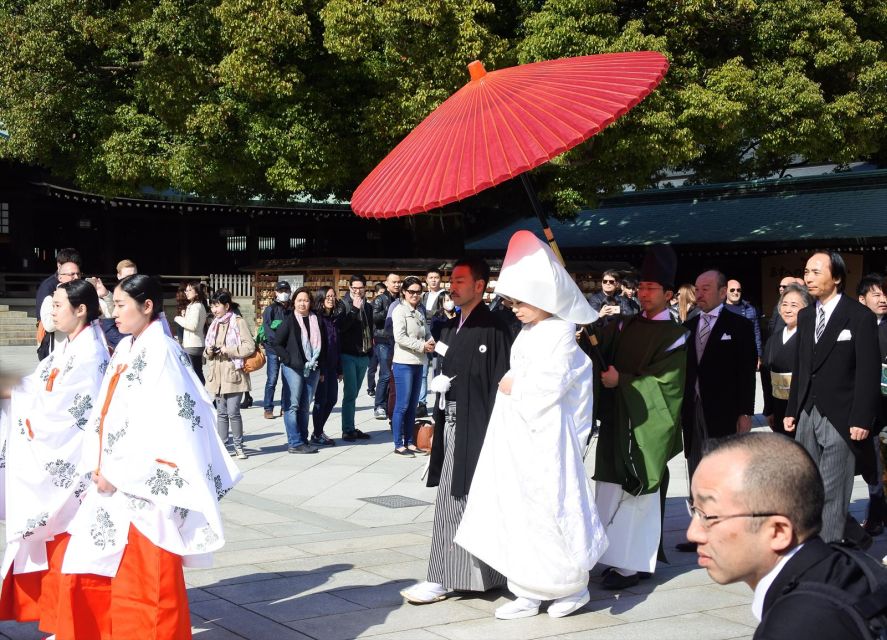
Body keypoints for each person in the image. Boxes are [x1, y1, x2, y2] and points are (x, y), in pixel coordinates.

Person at [57, 274, 240, 638]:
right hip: (111, 472)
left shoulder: (162, 353)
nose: (115, 313)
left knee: (146, 573)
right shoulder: (128, 346)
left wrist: (118, 472)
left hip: (139, 481)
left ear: (148, 307)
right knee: (99, 564)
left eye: (121, 305)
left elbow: (165, 426)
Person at [454, 230, 607, 620]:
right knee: (518, 509)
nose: (515, 310)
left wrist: (514, 383)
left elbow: (552, 385)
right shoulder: (530, 331)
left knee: (552, 508)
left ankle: (570, 586)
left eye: (521, 302)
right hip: (520, 435)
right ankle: (525, 588)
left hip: (548, 439)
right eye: (511, 302)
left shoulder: (561, 334)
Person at [400, 257, 513, 605]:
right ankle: (461, 575)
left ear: (481, 286)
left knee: (461, 498)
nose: (453, 285)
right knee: (453, 498)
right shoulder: (450, 327)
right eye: (453, 279)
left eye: (462, 280)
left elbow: (499, 382)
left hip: (478, 421)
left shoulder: (495, 328)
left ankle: (445, 577)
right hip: (451, 419)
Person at [688, 432, 875, 639]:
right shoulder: (847, 568)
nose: (692, 533)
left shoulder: (797, 627)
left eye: (709, 516)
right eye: (694, 510)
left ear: (778, 532)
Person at [0, 280, 109, 631]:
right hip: (62, 460)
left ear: (80, 310)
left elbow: (68, 413)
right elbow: (39, 383)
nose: (52, 311)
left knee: (69, 545)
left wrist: (22, 408)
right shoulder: (67, 347)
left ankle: (72, 623)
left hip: (73, 464)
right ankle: (61, 619)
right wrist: (12, 390)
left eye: (59, 304)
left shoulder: (90, 352)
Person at [593, 245, 688, 589]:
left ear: (669, 294)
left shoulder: (676, 335)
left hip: (646, 423)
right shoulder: (623, 324)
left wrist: (625, 381)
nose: (644, 294)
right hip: (618, 419)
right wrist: (588, 333)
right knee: (609, 486)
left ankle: (632, 564)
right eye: (641, 287)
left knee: (639, 489)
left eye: (652, 289)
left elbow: (669, 386)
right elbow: (597, 346)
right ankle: (611, 555)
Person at [785, 251, 881, 543]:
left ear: (836, 277)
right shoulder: (806, 315)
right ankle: (849, 539)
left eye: (816, 271)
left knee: (832, 488)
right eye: (806, 271)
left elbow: (868, 372)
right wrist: (792, 410)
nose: (808, 277)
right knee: (807, 486)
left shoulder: (859, 316)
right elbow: (801, 368)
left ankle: (828, 553)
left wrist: (862, 418)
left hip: (842, 415)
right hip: (806, 412)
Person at [676, 269, 757, 553]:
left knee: (723, 471)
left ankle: (728, 532)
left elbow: (746, 373)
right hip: (693, 409)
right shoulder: (688, 325)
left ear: (723, 292)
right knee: (696, 468)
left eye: (706, 289)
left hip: (724, 410)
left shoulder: (739, 326)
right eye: (697, 289)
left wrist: (746, 411)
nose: (699, 294)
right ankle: (700, 529)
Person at [270, 287, 326, 454]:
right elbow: (276, 343)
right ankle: (294, 442)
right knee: (292, 405)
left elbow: (323, 345)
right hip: (293, 368)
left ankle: (303, 439)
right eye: (299, 300)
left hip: (313, 368)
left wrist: (320, 367)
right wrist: (287, 359)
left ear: (311, 302)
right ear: (294, 302)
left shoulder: (317, 320)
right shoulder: (288, 320)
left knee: (304, 406)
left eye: (306, 300)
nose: (303, 303)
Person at [205, 290, 255, 460]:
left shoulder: (238, 322)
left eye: (217, 305)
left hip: (234, 374)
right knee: (221, 413)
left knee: (233, 412)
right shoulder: (214, 324)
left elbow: (250, 346)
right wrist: (209, 351)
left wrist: (230, 350)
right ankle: (223, 446)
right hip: (217, 374)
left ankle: (239, 446)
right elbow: (207, 350)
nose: (214, 309)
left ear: (226, 306)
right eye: (212, 305)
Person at [391, 276, 435, 457]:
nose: (415, 295)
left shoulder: (419, 312)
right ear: (404, 292)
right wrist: (421, 346)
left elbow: (427, 332)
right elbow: (399, 337)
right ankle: (398, 443)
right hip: (404, 362)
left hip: (419, 362)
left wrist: (432, 342)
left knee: (412, 406)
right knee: (402, 405)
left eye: (418, 292)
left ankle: (410, 441)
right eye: (411, 292)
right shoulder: (399, 311)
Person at [761, 283, 811, 438]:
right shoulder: (773, 339)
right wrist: (769, 409)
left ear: (807, 308)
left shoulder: (809, 338)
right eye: (784, 304)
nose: (787, 310)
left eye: (794, 305)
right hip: (778, 405)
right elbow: (765, 376)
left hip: (801, 408)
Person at [857, 274, 887, 536]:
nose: (882, 299)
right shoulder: (855, 326)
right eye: (876, 294)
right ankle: (876, 514)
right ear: (862, 299)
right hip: (868, 410)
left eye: (885, 294)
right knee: (873, 467)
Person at [338, 275, 374, 442]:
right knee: (350, 393)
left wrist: (370, 353)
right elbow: (341, 328)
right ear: (349, 287)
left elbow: (370, 329)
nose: (357, 290)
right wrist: (353, 309)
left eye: (361, 287)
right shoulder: (343, 304)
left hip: (363, 354)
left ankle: (351, 426)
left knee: (355, 393)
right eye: (354, 287)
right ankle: (347, 429)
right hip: (348, 354)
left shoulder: (368, 306)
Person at [310, 286, 343, 447]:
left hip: (332, 365)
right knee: (321, 400)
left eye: (333, 296)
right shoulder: (317, 318)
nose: (331, 299)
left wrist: (339, 368)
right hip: (321, 366)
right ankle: (317, 433)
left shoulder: (334, 318)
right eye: (327, 296)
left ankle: (318, 431)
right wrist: (321, 369)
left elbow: (337, 344)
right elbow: (318, 346)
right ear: (321, 299)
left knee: (332, 399)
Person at [38, 260, 82, 357]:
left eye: (78, 274)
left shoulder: (84, 297)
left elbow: (107, 315)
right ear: (60, 277)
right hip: (59, 355)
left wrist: (106, 296)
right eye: (72, 274)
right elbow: (49, 326)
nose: (76, 277)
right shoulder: (50, 299)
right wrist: (71, 310)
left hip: (82, 352)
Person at [372, 273, 401, 419]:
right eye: (393, 282)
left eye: (398, 282)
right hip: (383, 340)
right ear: (387, 283)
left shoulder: (401, 299)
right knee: (385, 374)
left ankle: (391, 404)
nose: (396, 285)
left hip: (397, 341)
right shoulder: (381, 298)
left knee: (395, 376)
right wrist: (389, 309)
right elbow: (375, 317)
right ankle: (379, 405)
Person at [262, 281, 292, 420]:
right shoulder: (270, 309)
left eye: (286, 290)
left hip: (288, 349)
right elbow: (268, 330)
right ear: (276, 292)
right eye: (281, 290)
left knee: (287, 380)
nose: (284, 293)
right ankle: (268, 407)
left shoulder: (292, 309)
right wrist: (277, 345)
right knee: (272, 379)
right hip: (273, 349)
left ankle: (285, 407)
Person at [418, 269, 444, 417]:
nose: (434, 280)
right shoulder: (423, 296)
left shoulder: (445, 295)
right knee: (422, 371)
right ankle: (422, 403)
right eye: (431, 277)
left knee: (437, 369)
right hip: (424, 335)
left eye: (436, 277)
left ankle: (438, 402)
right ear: (426, 280)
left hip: (439, 335)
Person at [174, 281, 208, 385]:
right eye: (186, 290)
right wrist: (185, 316)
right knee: (197, 371)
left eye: (189, 290)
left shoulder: (196, 306)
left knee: (193, 373)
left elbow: (192, 326)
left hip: (193, 345)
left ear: (196, 292)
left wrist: (178, 318)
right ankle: (202, 394)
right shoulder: (194, 305)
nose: (186, 292)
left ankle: (201, 395)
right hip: (194, 343)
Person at [725, 278, 763, 362]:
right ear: (725, 291)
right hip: (726, 354)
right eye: (732, 290)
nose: (736, 292)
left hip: (746, 354)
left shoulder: (750, 309)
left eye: (738, 290)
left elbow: (756, 333)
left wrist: (758, 355)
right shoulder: (719, 309)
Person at [366, 281, 388, 397]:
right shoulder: (370, 306)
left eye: (384, 293)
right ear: (376, 293)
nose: (383, 296)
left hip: (382, 338)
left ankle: (380, 387)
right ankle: (370, 387)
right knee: (372, 367)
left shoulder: (387, 303)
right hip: (374, 339)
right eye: (380, 293)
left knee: (383, 367)